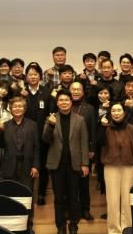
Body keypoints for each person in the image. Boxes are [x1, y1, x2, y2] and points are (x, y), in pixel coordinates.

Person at [43, 90, 89, 234]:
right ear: (57, 103)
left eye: (66, 100)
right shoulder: (50, 119)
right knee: (58, 198)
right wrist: (50, 126)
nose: (64, 102)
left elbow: (84, 143)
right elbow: (45, 139)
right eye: (61, 100)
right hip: (56, 164)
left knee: (74, 197)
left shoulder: (80, 120)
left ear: (71, 102)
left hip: (74, 164)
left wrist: (85, 163)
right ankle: (60, 226)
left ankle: (74, 224)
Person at [99, 102, 133, 234]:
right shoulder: (105, 127)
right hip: (111, 166)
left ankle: (127, 228)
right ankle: (114, 229)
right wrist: (102, 127)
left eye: (119, 110)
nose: (116, 113)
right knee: (112, 200)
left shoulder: (131, 128)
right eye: (113, 111)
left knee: (127, 199)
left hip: (128, 166)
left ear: (124, 112)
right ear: (110, 113)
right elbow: (99, 143)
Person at [0, 96, 40, 192]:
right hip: (9, 167)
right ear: (11, 109)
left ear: (24, 109)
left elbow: (36, 147)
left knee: (27, 195)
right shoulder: (5, 125)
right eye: (14, 107)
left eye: (20, 106)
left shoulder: (33, 125)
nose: (17, 109)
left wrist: (35, 166)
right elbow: (0, 144)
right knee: (10, 195)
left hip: (27, 167)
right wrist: (0, 131)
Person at [22, 63, 51, 205]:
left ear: (40, 76)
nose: (33, 77)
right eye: (30, 74)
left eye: (35, 74)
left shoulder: (47, 92)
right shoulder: (22, 92)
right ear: (26, 77)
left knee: (43, 166)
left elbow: (51, 113)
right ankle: (27, 194)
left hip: (42, 136)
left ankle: (41, 193)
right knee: (27, 164)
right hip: (25, 135)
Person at [70, 81, 96, 221]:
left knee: (84, 183)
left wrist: (92, 149)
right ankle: (70, 210)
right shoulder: (65, 105)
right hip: (68, 150)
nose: (75, 92)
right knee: (69, 183)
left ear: (83, 92)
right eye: (73, 89)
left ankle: (85, 209)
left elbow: (93, 129)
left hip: (84, 149)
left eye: (78, 89)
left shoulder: (89, 108)